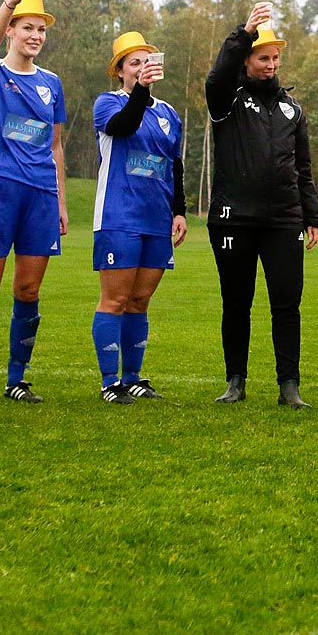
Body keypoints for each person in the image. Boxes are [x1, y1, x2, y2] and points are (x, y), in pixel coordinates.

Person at [205, 3, 318, 409]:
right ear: (248, 59)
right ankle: (235, 381)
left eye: (275, 58)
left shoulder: (293, 109)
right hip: (233, 219)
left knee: (287, 304)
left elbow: (303, 167)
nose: (271, 64)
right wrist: (244, 32)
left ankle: (289, 386)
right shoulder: (227, 99)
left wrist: (313, 215)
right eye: (263, 57)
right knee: (237, 302)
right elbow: (217, 76)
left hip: (283, 219)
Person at [0, 0, 67, 404]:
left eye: (41, 29)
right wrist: (9, 1)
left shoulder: (52, 83)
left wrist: (61, 201)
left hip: (41, 195)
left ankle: (16, 379)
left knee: (28, 290)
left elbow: (56, 145)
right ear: (11, 30)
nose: (35, 36)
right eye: (27, 27)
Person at [90, 31, 187, 405]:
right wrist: (142, 92)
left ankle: (133, 378)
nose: (142, 68)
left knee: (141, 300)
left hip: (155, 218)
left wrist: (178, 210)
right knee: (114, 299)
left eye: (147, 61)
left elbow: (173, 166)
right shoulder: (108, 103)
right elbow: (124, 126)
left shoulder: (168, 114)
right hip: (119, 215)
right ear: (119, 71)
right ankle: (109, 381)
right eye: (134, 62)